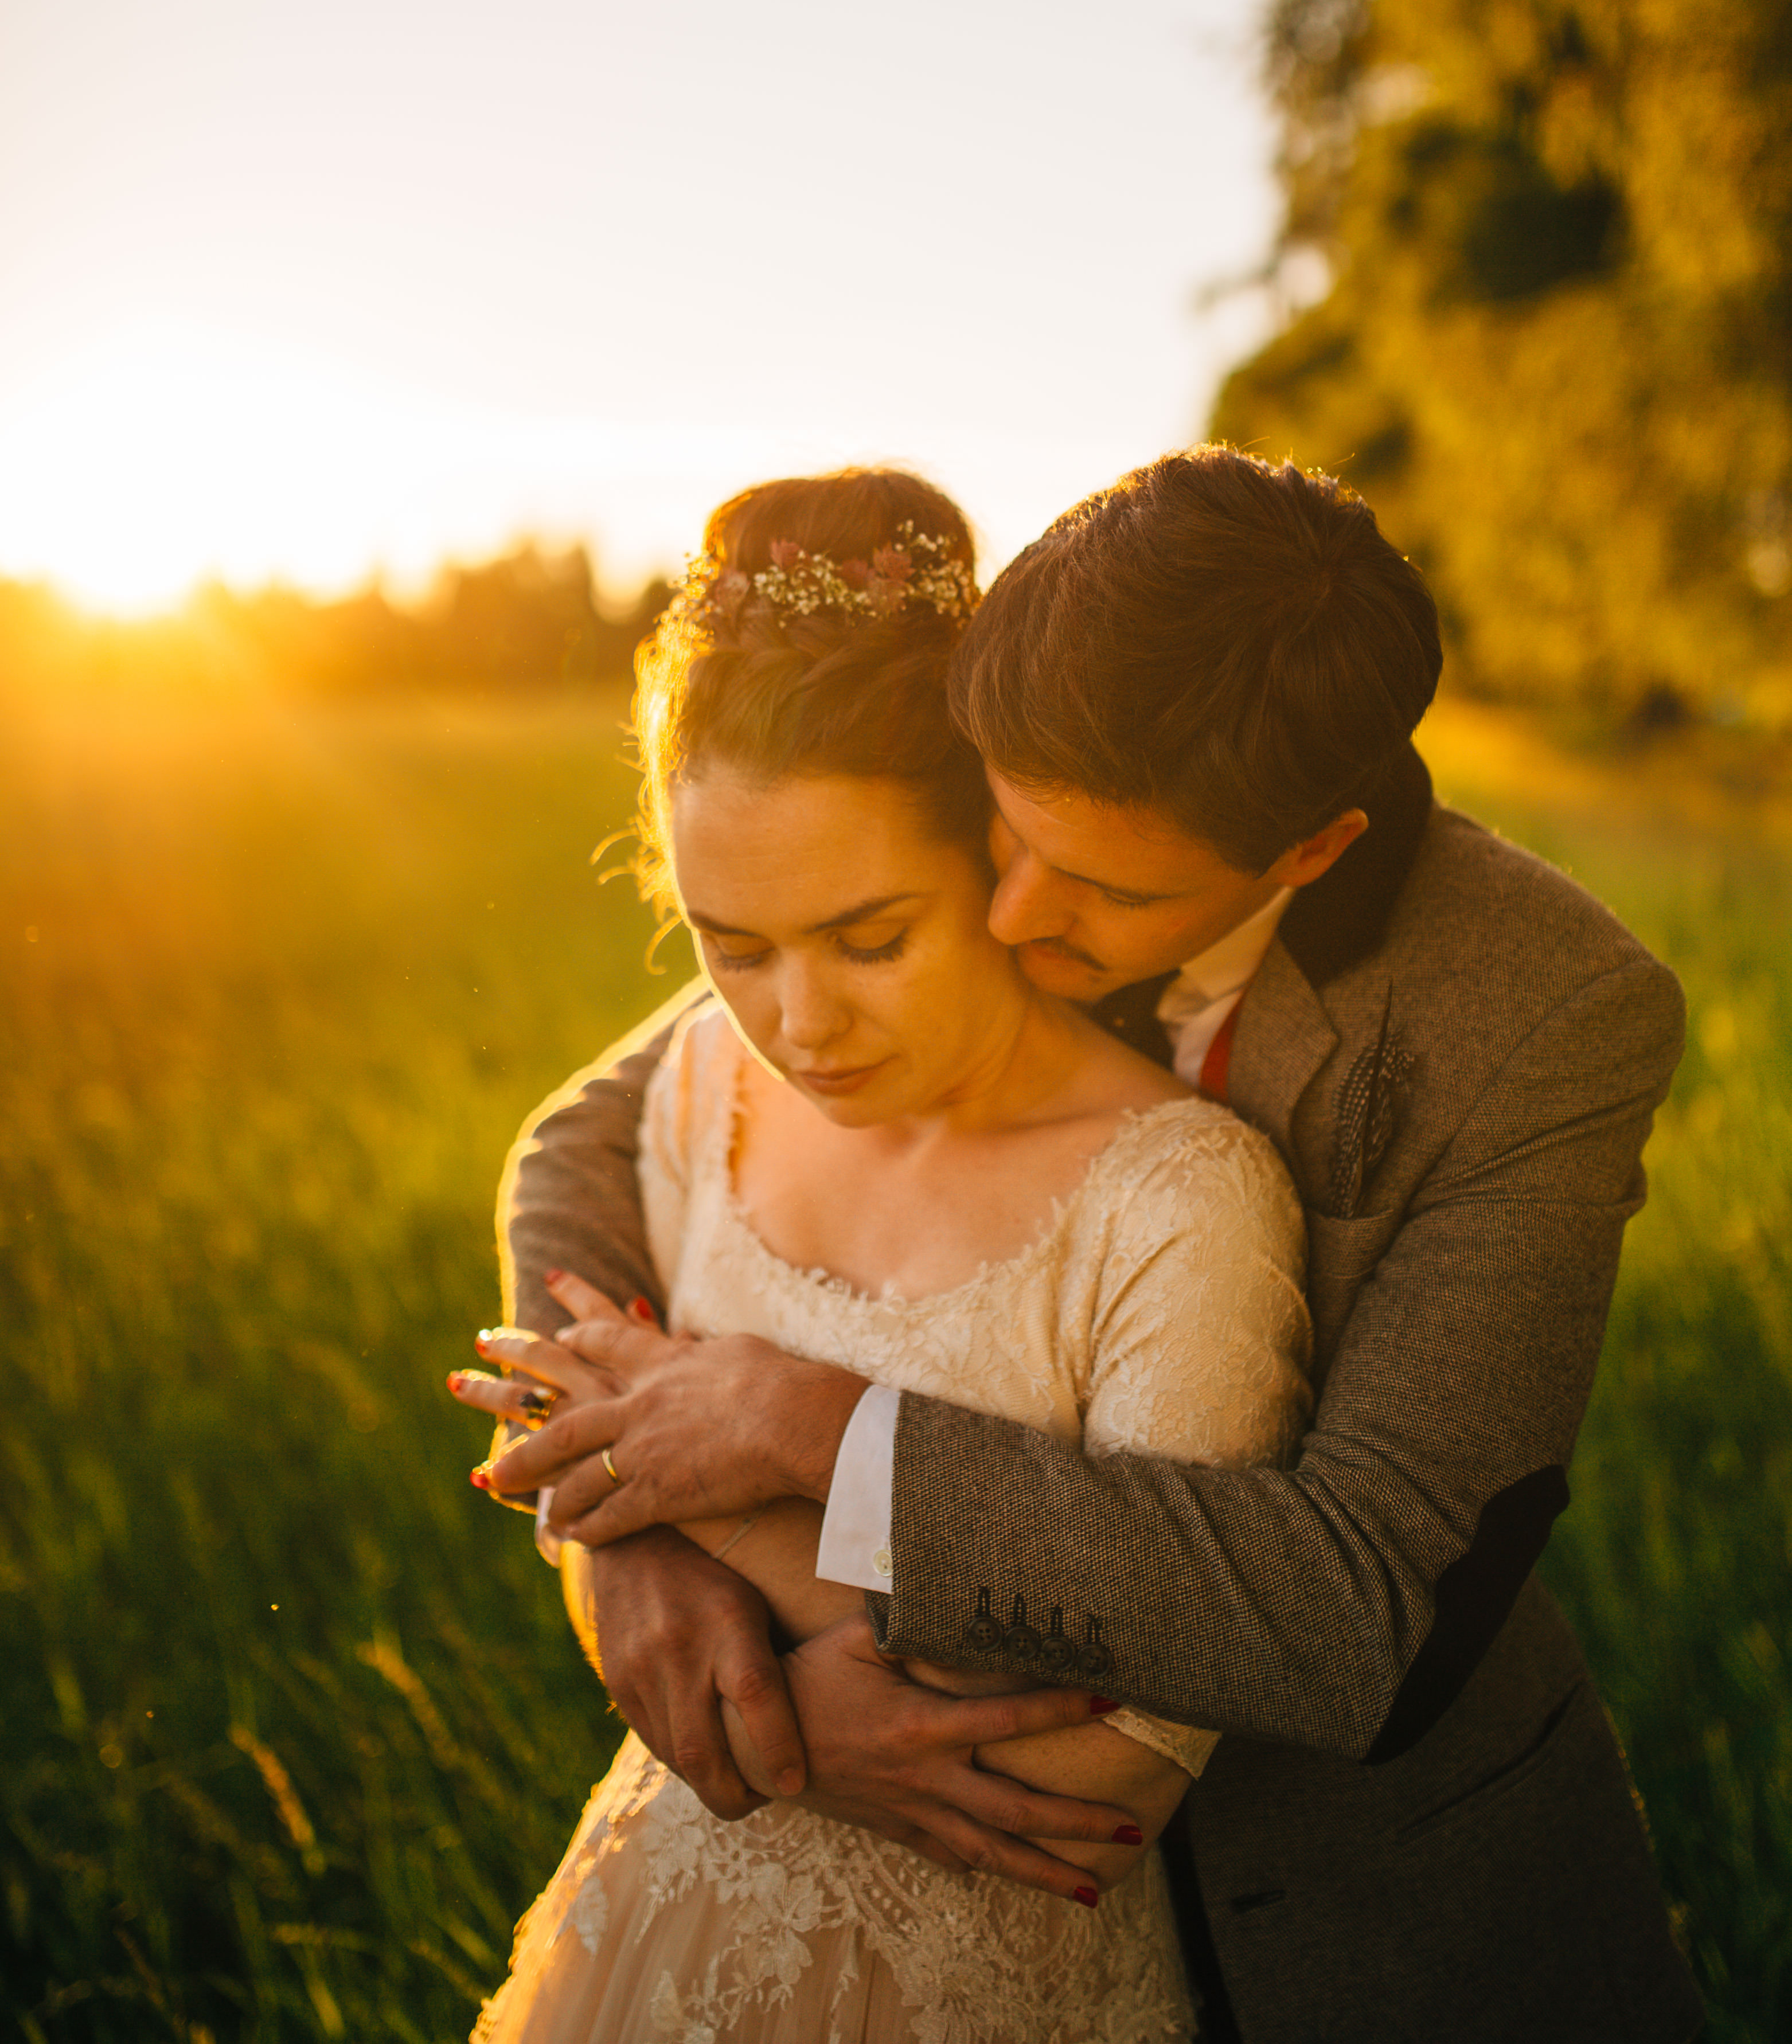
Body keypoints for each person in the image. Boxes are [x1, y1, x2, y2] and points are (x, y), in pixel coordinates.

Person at [487, 448, 1704, 2044]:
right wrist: (630, 1543)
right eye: (995, 834)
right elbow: (582, 1143)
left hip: (1351, 1891)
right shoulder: (985, 805)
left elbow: (1356, 1605)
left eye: (1096, 887)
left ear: (1304, 852)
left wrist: (797, 1431)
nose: (1004, 916)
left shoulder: (1544, 1016)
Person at [454, 466, 1313, 2041]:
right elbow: (590, 1466)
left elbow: (1111, 1767)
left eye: (871, 937)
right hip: (659, 1941)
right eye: (732, 947)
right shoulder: (702, 1090)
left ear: (1000, 855)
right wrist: (685, 1566)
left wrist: (741, 1569)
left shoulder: (1180, 1205)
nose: (801, 1023)